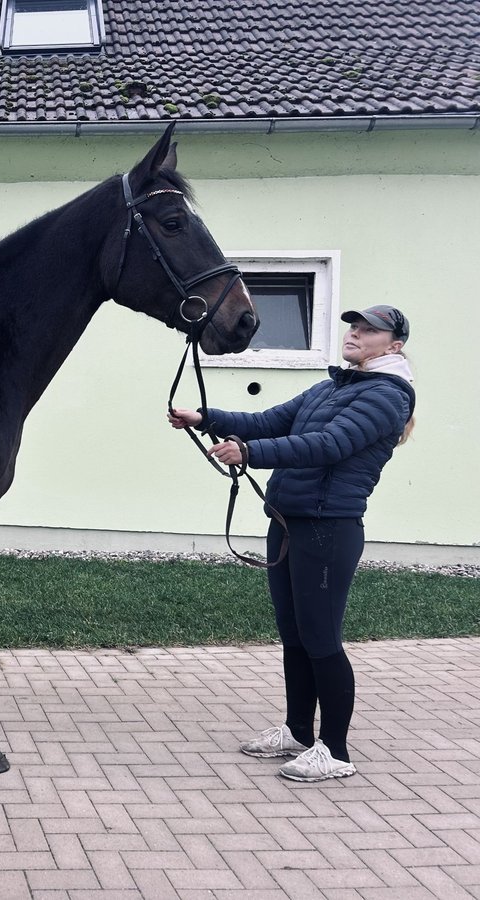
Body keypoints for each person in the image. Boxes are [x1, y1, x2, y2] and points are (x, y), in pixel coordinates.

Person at [167, 304, 415, 782]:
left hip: (329, 528)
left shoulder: (388, 396)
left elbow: (328, 444)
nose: (356, 334)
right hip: (288, 522)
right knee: (295, 635)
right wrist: (205, 417)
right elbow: (270, 420)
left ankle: (336, 751)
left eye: (370, 330)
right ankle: (299, 731)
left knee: (321, 639)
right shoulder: (334, 386)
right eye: (354, 326)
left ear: (394, 345)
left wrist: (250, 453)